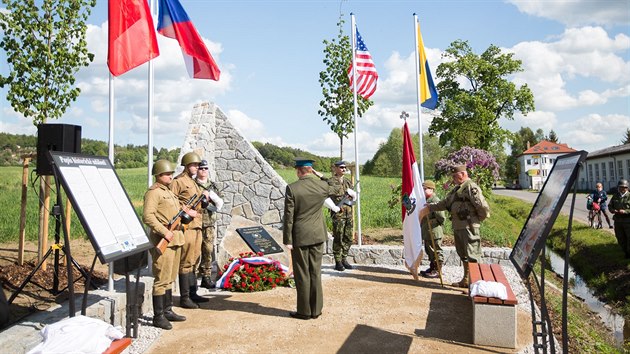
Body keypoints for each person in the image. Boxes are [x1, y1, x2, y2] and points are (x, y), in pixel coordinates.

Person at [283, 158, 338, 320]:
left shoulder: (292, 188)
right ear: (310, 170)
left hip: (300, 236)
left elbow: (288, 216)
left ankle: (304, 311)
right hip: (318, 234)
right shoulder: (321, 186)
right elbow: (335, 185)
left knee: (302, 274)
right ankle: (316, 309)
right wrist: (319, 175)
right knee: (315, 272)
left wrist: (288, 239)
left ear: (299, 171)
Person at [418, 165, 490, 288]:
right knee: (463, 254)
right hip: (459, 226)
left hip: (469, 227)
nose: (453, 179)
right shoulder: (457, 189)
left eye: (455, 176)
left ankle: (476, 286)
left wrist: (477, 220)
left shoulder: (470, 187)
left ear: (462, 174)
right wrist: (429, 208)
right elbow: (445, 203)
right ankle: (466, 280)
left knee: (473, 255)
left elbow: (482, 206)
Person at [143, 159, 186, 330]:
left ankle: (168, 310)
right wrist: (163, 231)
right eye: (167, 174)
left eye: (171, 174)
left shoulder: (168, 191)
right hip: (164, 240)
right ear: (159, 175)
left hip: (175, 239)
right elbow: (148, 216)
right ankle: (158, 316)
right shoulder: (154, 193)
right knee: (161, 279)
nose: (170, 177)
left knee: (170, 277)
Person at [170, 152, 209, 308]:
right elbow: (171, 202)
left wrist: (204, 198)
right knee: (186, 262)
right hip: (187, 227)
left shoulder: (193, 182)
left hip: (197, 225)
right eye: (193, 165)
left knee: (194, 261)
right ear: (186, 165)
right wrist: (186, 210)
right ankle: (185, 298)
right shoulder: (178, 181)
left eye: (197, 165)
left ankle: (193, 294)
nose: (196, 167)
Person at [194, 159, 224, 289]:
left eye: (206, 168)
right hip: (195, 222)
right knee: (194, 251)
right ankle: (192, 277)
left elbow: (220, 203)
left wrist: (210, 200)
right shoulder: (192, 185)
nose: (203, 171)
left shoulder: (213, 186)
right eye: (201, 168)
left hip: (209, 222)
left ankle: (206, 276)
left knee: (208, 250)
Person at [328, 160, 356, 271]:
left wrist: (353, 196)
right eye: (341, 167)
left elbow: (353, 199)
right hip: (338, 214)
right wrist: (333, 207)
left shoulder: (348, 182)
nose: (344, 169)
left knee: (348, 237)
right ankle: (338, 261)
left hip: (348, 213)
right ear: (335, 168)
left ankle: (344, 259)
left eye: (345, 167)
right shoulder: (330, 182)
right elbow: (327, 196)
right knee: (338, 237)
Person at [419, 180, 445, 278]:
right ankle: (432, 267)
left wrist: (433, 222)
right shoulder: (425, 201)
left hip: (434, 230)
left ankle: (437, 270)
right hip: (427, 230)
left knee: (436, 250)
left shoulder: (435, 201)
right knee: (429, 250)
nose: (423, 191)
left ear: (431, 189)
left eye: (425, 189)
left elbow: (441, 217)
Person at [609, 179, 630, 259]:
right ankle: (625, 252)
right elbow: (610, 205)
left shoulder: (629, 196)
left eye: (623, 187)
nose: (621, 189)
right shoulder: (615, 196)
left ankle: (628, 254)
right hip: (618, 221)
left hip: (627, 221)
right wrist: (612, 210)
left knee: (629, 238)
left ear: (627, 188)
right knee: (620, 238)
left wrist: (625, 211)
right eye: (620, 187)